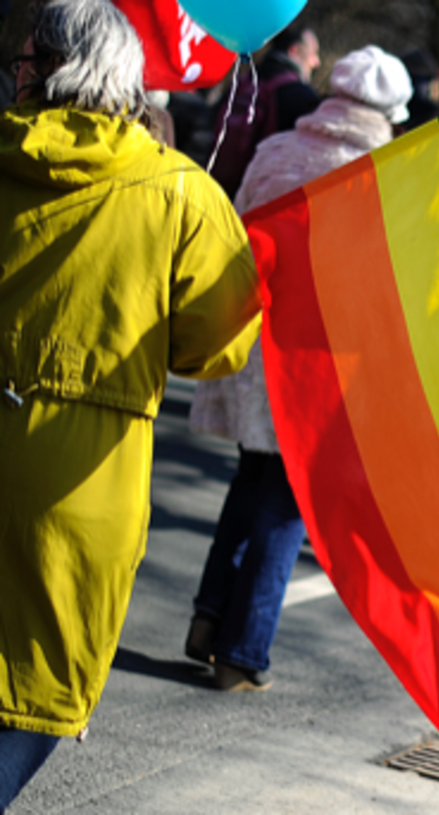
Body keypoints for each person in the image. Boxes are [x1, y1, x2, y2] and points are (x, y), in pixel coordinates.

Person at [0, 0, 261, 803]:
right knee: (35, 689)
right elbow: (218, 345)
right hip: (83, 484)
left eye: (23, 57)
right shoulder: (180, 193)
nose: (13, 68)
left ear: (50, 66)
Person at [186, 46, 413, 692]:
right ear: (389, 112)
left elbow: (235, 233)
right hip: (321, 362)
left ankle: (207, 619)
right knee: (288, 508)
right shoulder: (385, 175)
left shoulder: (277, 151)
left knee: (250, 478)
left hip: (257, 343)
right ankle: (242, 651)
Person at [207, 21, 322, 198]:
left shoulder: (244, 80)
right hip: (255, 197)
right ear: (294, 51)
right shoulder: (299, 95)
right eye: (313, 53)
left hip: (214, 185)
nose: (316, 62)